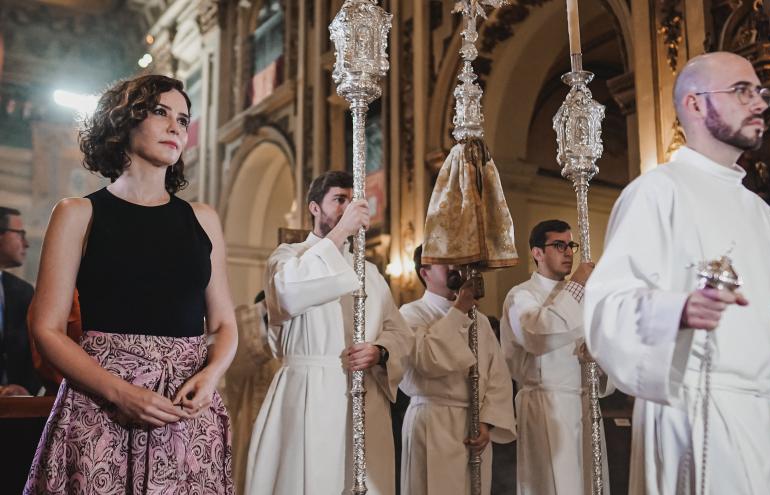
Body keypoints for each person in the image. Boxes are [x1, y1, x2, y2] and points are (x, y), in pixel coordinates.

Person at [583, 51, 770, 494]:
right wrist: (676, 312)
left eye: (761, 92)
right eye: (742, 91)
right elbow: (606, 309)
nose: (760, 103)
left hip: (758, 421)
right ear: (695, 104)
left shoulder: (761, 214)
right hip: (690, 413)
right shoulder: (657, 192)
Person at [24, 75, 238, 493]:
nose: (177, 127)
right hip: (100, 406)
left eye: (183, 118)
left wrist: (211, 376)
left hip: (185, 414)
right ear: (122, 121)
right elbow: (45, 329)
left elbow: (225, 324)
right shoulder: (77, 214)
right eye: (160, 112)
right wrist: (120, 393)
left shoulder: (203, 218)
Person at [246, 170, 414, 495]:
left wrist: (379, 351)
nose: (348, 208)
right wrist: (339, 233)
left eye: (353, 202)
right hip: (309, 390)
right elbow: (287, 294)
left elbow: (399, 331)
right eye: (339, 200)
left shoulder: (373, 274)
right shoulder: (287, 256)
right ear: (314, 208)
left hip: (364, 395)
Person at [500, 219, 613, 495]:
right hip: (546, 405)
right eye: (558, 245)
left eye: (570, 245)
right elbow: (536, 334)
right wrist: (576, 285)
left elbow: (605, 352)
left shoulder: (585, 298)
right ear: (537, 253)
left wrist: (597, 361)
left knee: (589, 484)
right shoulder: (522, 295)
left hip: (585, 404)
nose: (568, 252)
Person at [399, 245, 516, 495]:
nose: (455, 268)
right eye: (444, 263)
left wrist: (487, 422)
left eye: (457, 262)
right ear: (425, 273)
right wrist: (459, 311)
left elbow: (497, 375)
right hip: (432, 421)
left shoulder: (480, 320)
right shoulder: (410, 314)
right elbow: (427, 359)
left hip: (473, 428)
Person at [0, 206, 41, 396]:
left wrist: (24, 388)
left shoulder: (22, 291)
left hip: (15, 410)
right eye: (19, 234)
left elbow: (34, 352)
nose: (26, 244)